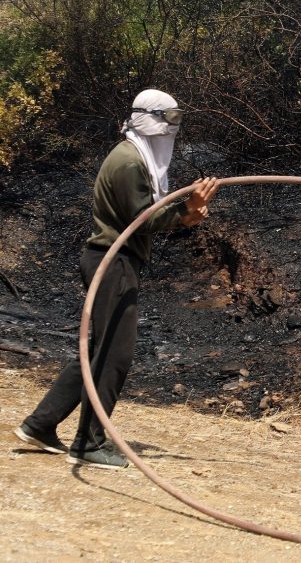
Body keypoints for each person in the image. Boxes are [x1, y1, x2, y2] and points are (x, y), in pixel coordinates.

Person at [13, 89, 220, 469]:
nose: (173, 130)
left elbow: (143, 216)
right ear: (149, 119)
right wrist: (185, 209)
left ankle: (40, 425)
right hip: (113, 262)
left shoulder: (134, 157)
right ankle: (89, 443)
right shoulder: (129, 161)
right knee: (114, 355)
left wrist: (185, 216)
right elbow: (141, 219)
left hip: (115, 261)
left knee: (99, 351)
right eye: (169, 119)